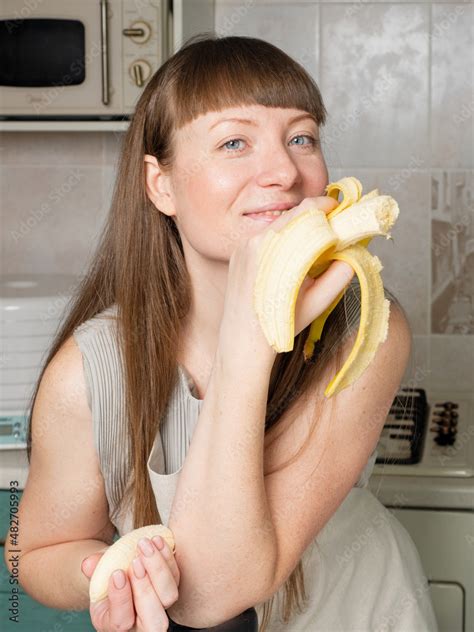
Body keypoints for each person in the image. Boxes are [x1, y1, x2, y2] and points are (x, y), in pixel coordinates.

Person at [5, 34, 439, 632]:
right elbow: (34, 553)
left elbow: (215, 591)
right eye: (234, 142)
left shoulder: (364, 334)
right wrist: (114, 570)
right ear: (160, 184)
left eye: (302, 137)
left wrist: (249, 337)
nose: (285, 171)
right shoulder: (89, 372)